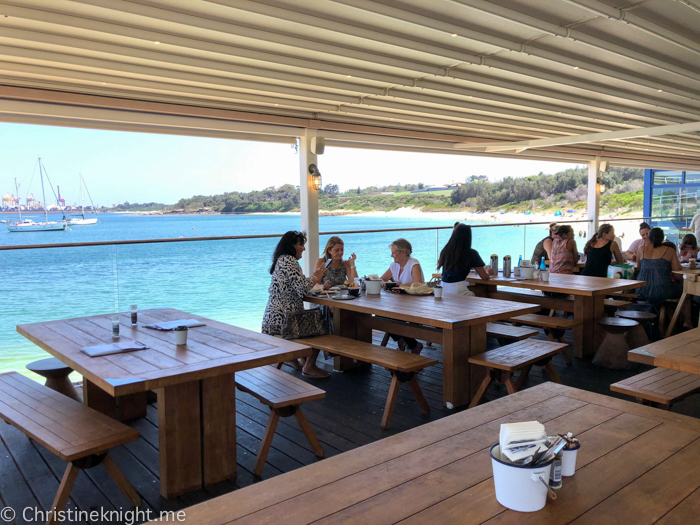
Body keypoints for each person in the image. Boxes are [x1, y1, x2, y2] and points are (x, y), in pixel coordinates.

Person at [261, 231, 329, 378]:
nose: (303, 248)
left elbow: (300, 285)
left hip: (272, 319)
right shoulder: (290, 261)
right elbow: (303, 289)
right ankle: (309, 366)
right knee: (322, 326)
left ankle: (291, 358)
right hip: (285, 321)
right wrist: (317, 277)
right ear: (292, 246)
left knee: (314, 322)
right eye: (301, 245)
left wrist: (315, 277)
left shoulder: (281, 260)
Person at [635, 228, 691, 328]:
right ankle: (687, 322)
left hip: (642, 289)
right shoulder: (669, 250)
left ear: (650, 237)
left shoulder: (640, 249)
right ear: (663, 238)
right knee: (686, 294)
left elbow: (639, 268)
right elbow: (677, 273)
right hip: (662, 289)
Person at [380, 238, 424, 354]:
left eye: (394, 253)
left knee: (391, 317)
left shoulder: (413, 264)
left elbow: (418, 283)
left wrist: (400, 284)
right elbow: (382, 278)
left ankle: (407, 342)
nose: (391, 255)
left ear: (403, 252)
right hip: (398, 302)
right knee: (382, 315)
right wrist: (382, 283)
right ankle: (407, 341)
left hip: (414, 302)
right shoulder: (394, 265)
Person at [437, 224, 489, 296]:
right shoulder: (471, 253)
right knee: (482, 291)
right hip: (457, 289)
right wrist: (489, 272)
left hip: (443, 288)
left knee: (473, 289)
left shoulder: (445, 250)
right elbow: (484, 277)